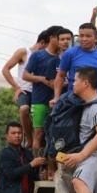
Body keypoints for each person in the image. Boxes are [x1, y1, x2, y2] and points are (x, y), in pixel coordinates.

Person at [1, 29, 49, 148]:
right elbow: (5, 69)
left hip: (39, 92)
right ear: (43, 43)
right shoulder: (24, 52)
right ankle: (29, 139)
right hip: (25, 90)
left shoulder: (48, 57)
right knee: (23, 108)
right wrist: (16, 87)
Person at [53, 23, 97, 108]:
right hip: (73, 101)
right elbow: (60, 76)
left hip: (96, 101)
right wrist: (56, 97)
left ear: (96, 38)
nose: (84, 39)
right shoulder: (70, 53)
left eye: (88, 36)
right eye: (81, 36)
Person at [23, 25, 63, 155]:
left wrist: (59, 84)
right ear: (52, 38)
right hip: (39, 100)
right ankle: (38, 166)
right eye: (60, 38)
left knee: (55, 136)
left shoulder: (63, 57)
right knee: (39, 135)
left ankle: (51, 168)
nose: (64, 41)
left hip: (58, 103)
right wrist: (42, 79)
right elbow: (25, 75)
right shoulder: (37, 55)